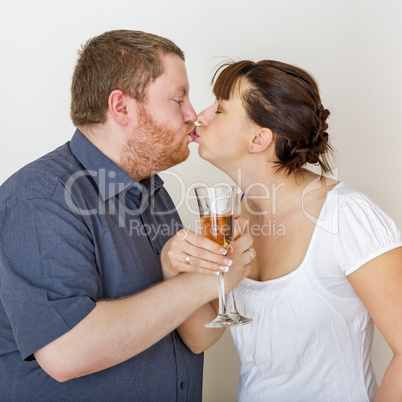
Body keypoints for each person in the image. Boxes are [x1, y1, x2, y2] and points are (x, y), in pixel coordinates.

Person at [0, 30, 253, 401]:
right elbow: (65, 351)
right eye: (177, 99)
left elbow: (192, 334)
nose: (191, 115)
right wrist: (206, 284)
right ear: (121, 107)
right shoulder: (41, 198)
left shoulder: (154, 191)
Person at [173, 60, 402, 401]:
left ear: (259, 138)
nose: (199, 117)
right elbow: (198, 338)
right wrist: (172, 268)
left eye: (220, 109)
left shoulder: (346, 216)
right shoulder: (226, 219)